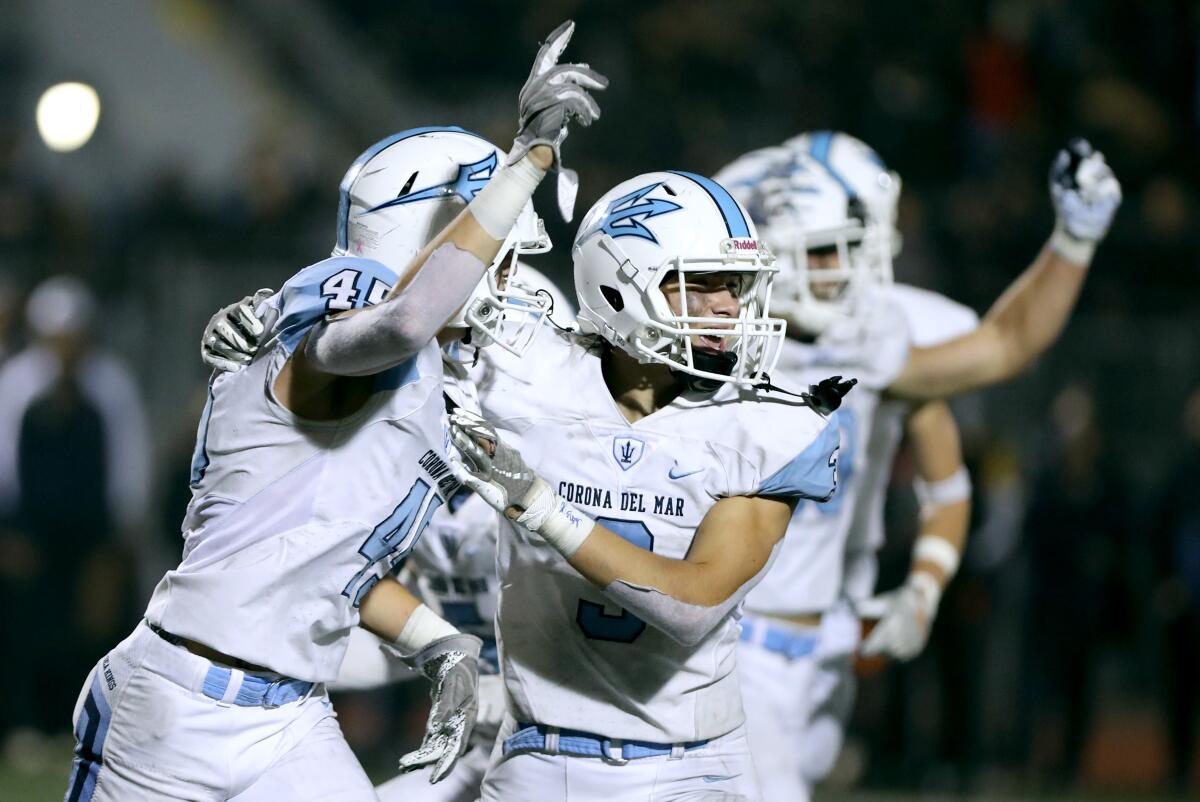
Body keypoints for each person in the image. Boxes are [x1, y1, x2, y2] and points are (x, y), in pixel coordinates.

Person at [64, 22, 606, 802]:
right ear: (430, 232)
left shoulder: (435, 383)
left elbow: (331, 564)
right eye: (499, 254)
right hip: (176, 703)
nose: (511, 279)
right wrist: (526, 162)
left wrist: (439, 646)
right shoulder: (342, 311)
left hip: (292, 712)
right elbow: (401, 320)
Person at [714, 130, 1121, 801]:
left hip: (831, 639)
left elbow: (1002, 345)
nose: (847, 267)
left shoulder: (872, 340)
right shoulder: (706, 355)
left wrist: (1072, 243)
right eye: (825, 250)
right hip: (735, 642)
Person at [450, 169, 846, 802]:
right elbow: (402, 323)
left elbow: (693, 606)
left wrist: (542, 508)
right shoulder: (523, 373)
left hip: (688, 771)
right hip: (535, 755)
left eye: (736, 286)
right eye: (702, 282)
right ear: (619, 284)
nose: (728, 306)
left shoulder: (767, 426)